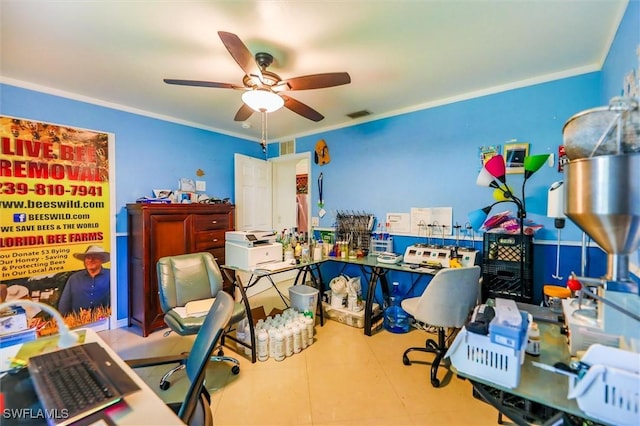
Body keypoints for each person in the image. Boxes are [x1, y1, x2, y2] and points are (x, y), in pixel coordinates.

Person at [58, 245, 110, 316]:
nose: (91, 260)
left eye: (95, 257)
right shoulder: (74, 279)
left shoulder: (111, 275)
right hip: (78, 323)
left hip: (105, 322)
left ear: (101, 259)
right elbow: (64, 305)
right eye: (88, 257)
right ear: (84, 260)